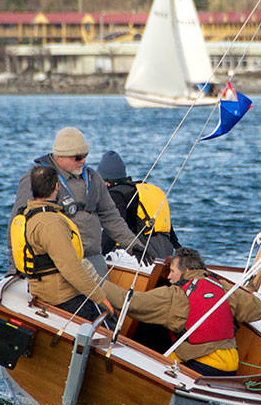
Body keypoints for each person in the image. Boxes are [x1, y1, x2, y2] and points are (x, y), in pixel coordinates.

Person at [102, 247, 261, 376]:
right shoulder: (223, 287)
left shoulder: (175, 295)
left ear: (185, 271)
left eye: (172, 271)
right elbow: (257, 311)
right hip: (230, 367)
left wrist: (94, 282)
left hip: (200, 365)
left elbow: (128, 302)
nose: (170, 277)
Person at [11, 127, 146, 276]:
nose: (83, 161)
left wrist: (134, 246)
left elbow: (111, 217)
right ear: (59, 156)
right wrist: (14, 268)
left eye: (85, 156)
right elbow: (18, 224)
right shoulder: (38, 178)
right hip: (58, 265)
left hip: (94, 260)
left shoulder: (94, 178)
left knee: (104, 299)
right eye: (78, 157)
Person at [10, 165, 115, 322]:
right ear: (57, 187)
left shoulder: (27, 215)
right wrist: (100, 297)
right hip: (61, 298)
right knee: (110, 319)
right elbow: (71, 268)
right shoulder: (51, 223)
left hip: (39, 290)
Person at [97, 150, 180, 260]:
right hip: (166, 250)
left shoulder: (116, 194)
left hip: (142, 252)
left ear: (105, 180)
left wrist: (98, 252)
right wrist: (179, 249)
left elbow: (114, 227)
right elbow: (169, 229)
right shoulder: (147, 190)